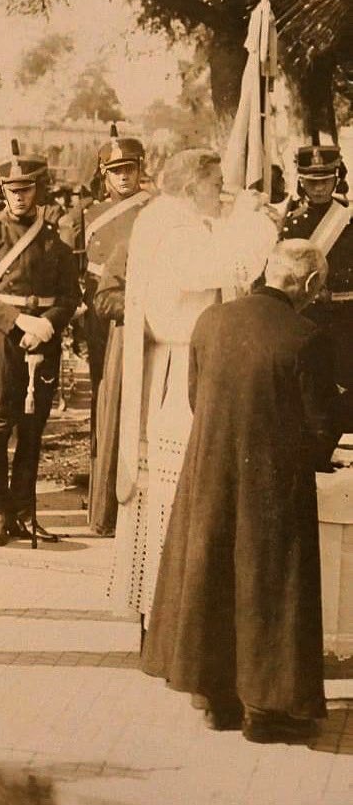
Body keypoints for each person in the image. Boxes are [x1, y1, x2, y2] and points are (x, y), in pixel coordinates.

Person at [142, 240, 340, 743]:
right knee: (271, 589)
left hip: (209, 472)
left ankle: (214, 699)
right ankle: (267, 712)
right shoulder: (307, 337)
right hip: (272, 483)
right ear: (312, 285)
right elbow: (320, 424)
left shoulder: (212, 321)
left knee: (212, 578)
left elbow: (195, 397)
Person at [108, 148, 277, 634]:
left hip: (182, 363)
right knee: (177, 493)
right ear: (189, 186)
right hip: (177, 371)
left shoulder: (173, 218)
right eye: (214, 182)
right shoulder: (174, 228)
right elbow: (215, 269)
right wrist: (255, 224)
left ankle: (176, 616)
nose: (220, 191)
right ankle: (168, 620)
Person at [0, 141, 81, 546]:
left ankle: (25, 512)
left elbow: (71, 296)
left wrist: (47, 325)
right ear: (2, 191)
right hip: (1, 341)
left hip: (43, 342)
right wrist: (18, 323)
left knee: (33, 429)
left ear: (39, 190)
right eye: (11, 190)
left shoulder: (55, 239)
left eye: (26, 189)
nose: (18, 196)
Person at [84, 128, 151, 537]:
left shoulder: (153, 208)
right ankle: (100, 490)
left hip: (139, 312)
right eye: (115, 171)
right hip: (99, 316)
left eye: (129, 169)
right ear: (103, 175)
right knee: (103, 398)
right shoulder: (90, 214)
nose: (123, 178)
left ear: (141, 169)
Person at [283, 145, 352, 428]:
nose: (320, 187)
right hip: (305, 319)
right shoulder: (289, 223)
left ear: (338, 177)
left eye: (325, 179)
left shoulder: (348, 220)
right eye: (312, 180)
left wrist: (333, 292)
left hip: (346, 318)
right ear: (301, 181)